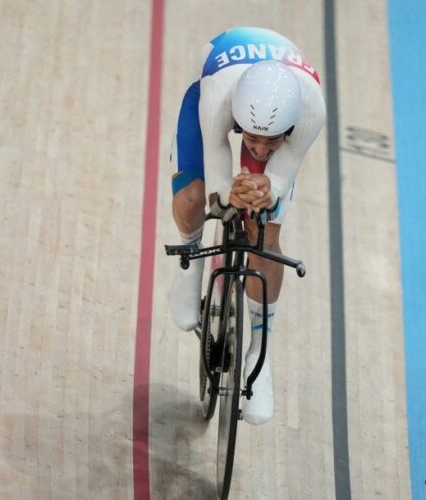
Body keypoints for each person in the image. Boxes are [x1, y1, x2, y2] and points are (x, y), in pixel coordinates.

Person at [168, 27, 326, 426]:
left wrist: (266, 187)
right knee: (193, 198)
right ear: (241, 120)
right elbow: (218, 179)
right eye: (252, 140)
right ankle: (190, 265)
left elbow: (282, 178)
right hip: (212, 83)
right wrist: (227, 193)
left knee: (266, 231)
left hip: (288, 97)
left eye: (269, 143)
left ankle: (262, 351)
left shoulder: (310, 110)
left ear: (287, 130)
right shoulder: (221, 98)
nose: (257, 150)